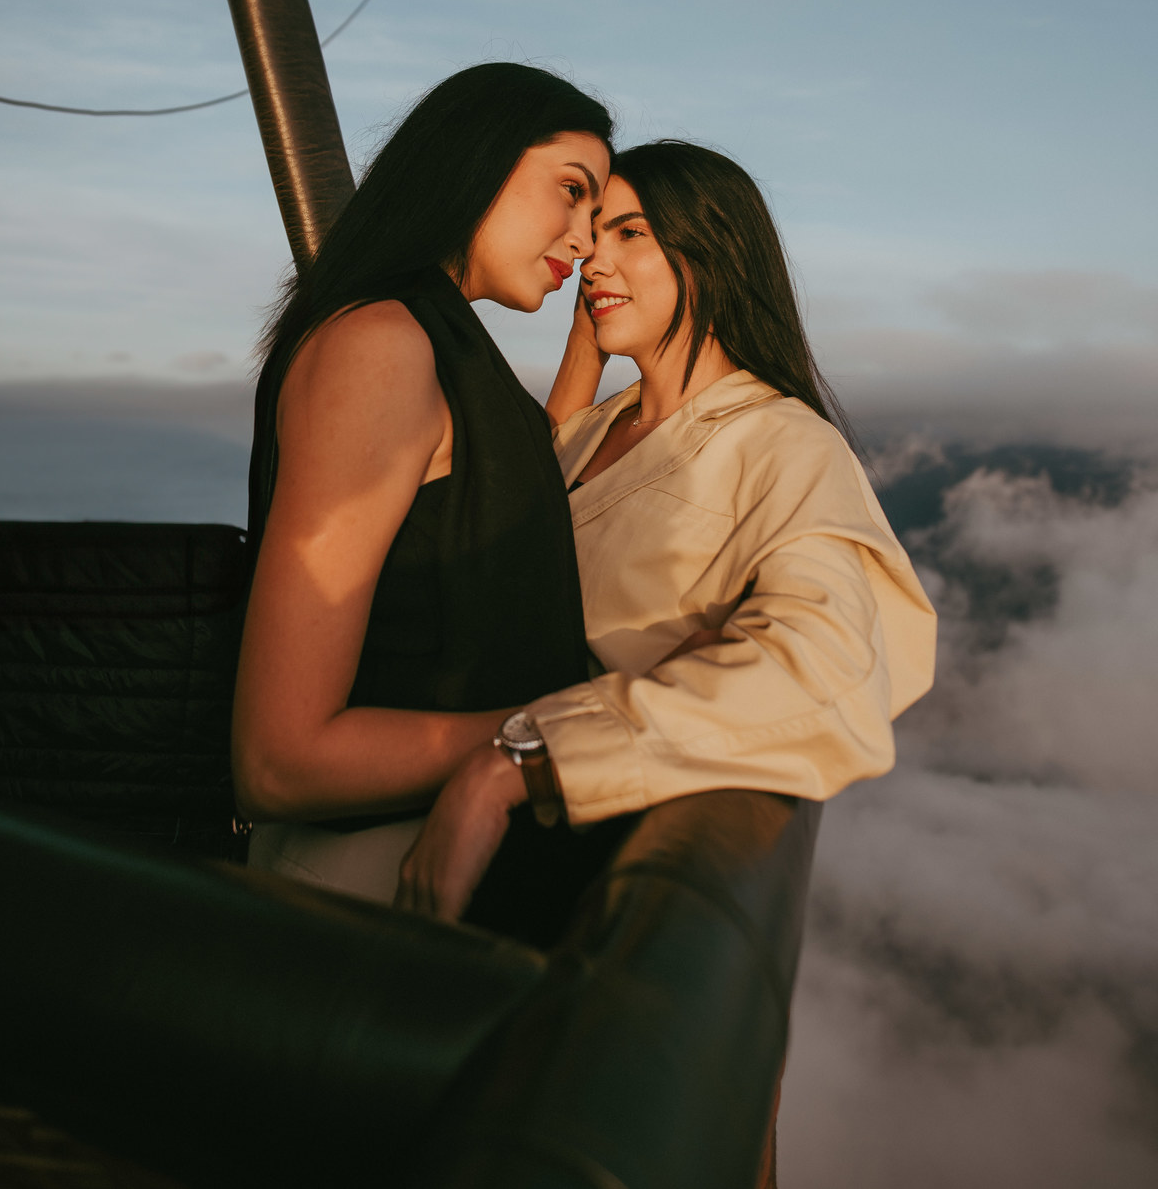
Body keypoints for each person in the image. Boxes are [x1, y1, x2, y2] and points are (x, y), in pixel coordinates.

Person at [396, 139, 936, 922]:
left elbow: (822, 666)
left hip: (550, 849)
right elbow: (531, 497)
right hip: (427, 779)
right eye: (589, 232)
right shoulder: (599, 429)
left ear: (712, 254)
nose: (590, 257)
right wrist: (599, 320)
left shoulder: (784, 443)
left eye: (629, 233)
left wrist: (518, 762)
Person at [231, 62, 614, 917]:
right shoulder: (382, 344)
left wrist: (592, 339)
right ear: (477, 159)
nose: (585, 238)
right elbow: (279, 757)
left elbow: (499, 485)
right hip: (366, 898)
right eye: (570, 191)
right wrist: (571, 724)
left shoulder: (431, 338)